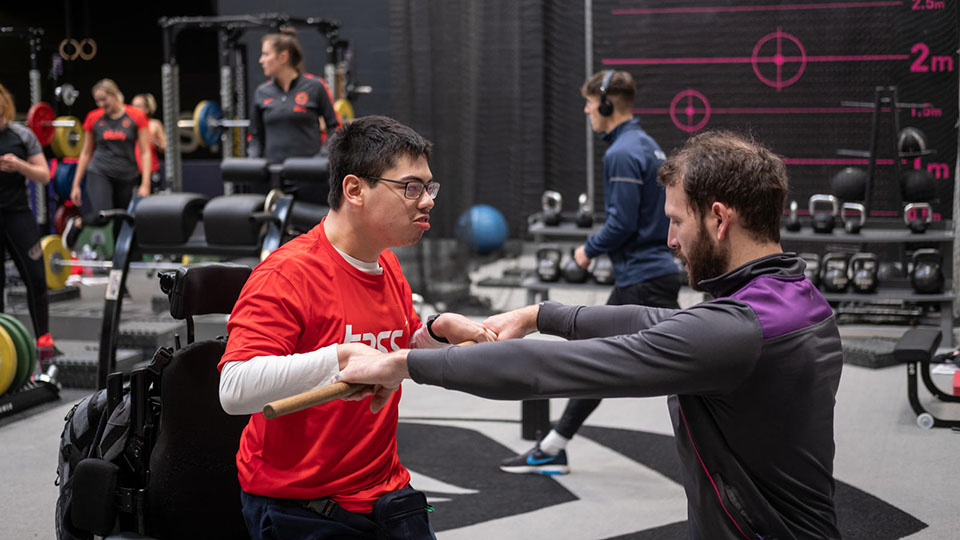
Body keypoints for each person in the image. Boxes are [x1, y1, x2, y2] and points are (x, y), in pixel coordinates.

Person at [338, 130, 845, 540]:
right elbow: (652, 321)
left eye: (676, 221)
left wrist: (402, 365)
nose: (671, 240)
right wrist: (539, 315)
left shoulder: (737, 332)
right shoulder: (791, 297)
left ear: (718, 219)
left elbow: (543, 370)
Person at [218, 115, 495, 540]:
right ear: (354, 190)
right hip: (303, 505)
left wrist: (436, 333)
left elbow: (393, 350)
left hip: (385, 490)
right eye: (411, 187)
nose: (427, 201)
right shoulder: (286, 275)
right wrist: (340, 357)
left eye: (429, 187)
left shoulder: (385, 262)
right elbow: (234, 389)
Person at [501, 69, 682, 475]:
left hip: (643, 280)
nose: (586, 111)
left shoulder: (621, 152)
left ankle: (552, 447)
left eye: (588, 103)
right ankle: (553, 446)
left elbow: (622, 224)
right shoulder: (646, 144)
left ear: (605, 104)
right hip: (648, 276)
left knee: (667, 370)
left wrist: (585, 252)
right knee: (604, 365)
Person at [248, 27, 340, 203]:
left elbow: (335, 128)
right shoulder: (261, 92)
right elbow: (255, 135)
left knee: (310, 219)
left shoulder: (315, 86)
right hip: (274, 177)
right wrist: (255, 163)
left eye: (266, 54)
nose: (261, 60)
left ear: (283, 57)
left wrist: (321, 158)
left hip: (309, 175)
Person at [0, 82, 59, 354]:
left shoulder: (22, 135)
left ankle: (44, 341)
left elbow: (44, 175)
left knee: (36, 277)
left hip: (18, 214)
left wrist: (20, 165)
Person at [65, 79, 151, 249]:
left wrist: (145, 183)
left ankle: (119, 259)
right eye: (98, 101)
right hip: (100, 171)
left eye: (104, 99)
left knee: (123, 219)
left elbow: (145, 151)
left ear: (115, 94)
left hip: (127, 175)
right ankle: (78, 223)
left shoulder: (136, 116)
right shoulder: (94, 118)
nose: (101, 104)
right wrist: (76, 184)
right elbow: (86, 153)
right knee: (103, 215)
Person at [130, 93, 165, 192]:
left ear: (147, 109)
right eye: (132, 106)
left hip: (151, 170)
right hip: (131, 171)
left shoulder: (155, 124)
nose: (134, 109)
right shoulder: (127, 125)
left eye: (138, 106)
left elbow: (164, 146)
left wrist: (156, 143)